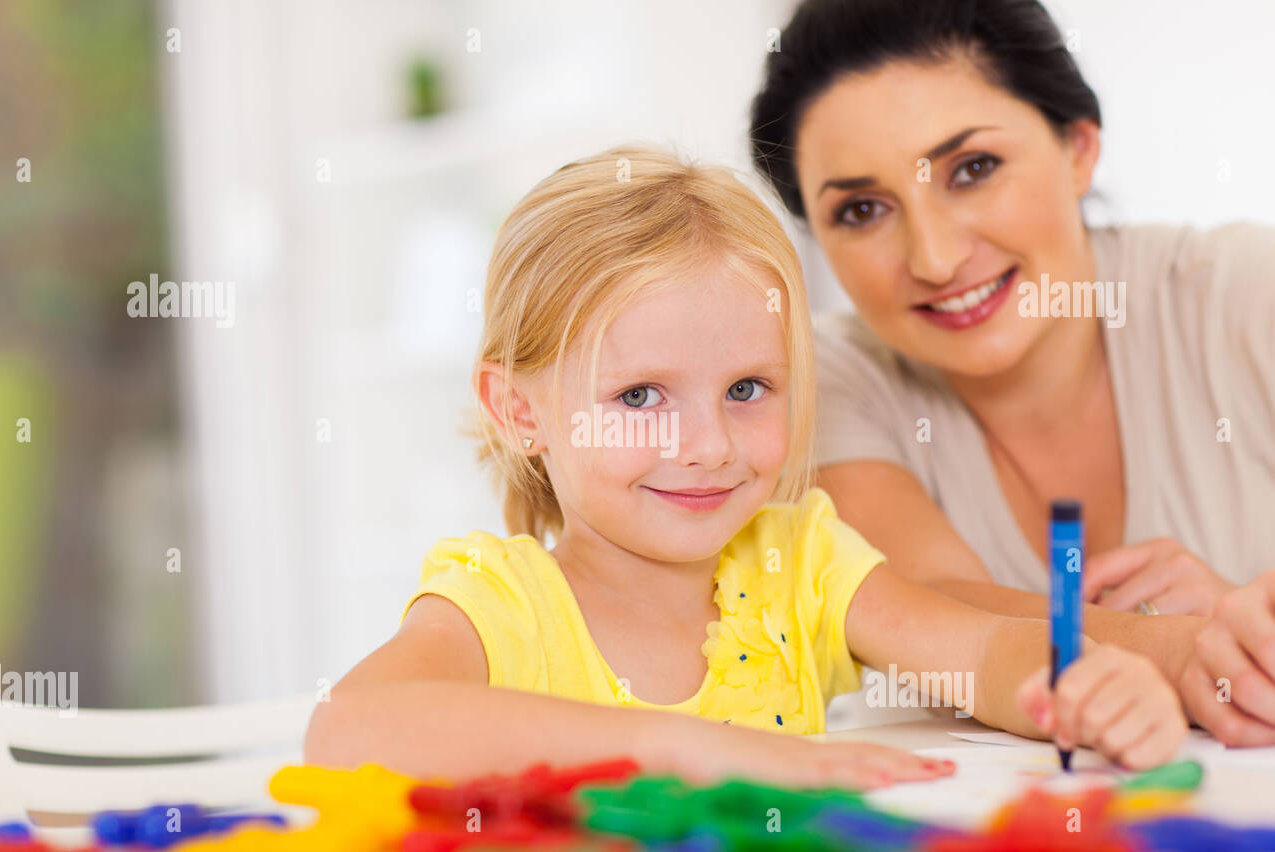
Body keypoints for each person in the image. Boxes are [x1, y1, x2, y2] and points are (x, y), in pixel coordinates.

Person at [304, 146, 1186, 785]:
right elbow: (352, 726)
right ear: (519, 409)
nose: (709, 446)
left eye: (748, 388)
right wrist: (694, 752)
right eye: (642, 396)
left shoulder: (800, 562)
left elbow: (980, 650)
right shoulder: (502, 604)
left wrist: (1078, 683)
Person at [749, 0, 1275, 744]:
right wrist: (1194, 644)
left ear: (1079, 148)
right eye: (863, 210)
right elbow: (927, 602)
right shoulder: (822, 380)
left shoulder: (1247, 297)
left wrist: (1246, 640)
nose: (934, 258)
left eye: (974, 169)